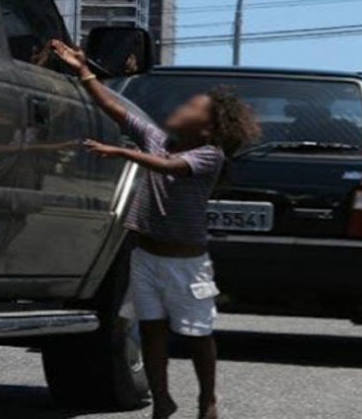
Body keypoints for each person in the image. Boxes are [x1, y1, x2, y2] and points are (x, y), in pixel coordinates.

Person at [50, 40, 260, 419]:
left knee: (197, 336)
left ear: (210, 128)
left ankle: (207, 398)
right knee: (151, 332)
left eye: (192, 108)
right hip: (145, 257)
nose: (181, 109)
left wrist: (121, 153)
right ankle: (162, 399)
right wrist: (84, 71)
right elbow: (115, 109)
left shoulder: (209, 156)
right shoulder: (158, 141)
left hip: (186, 265)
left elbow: (169, 169)